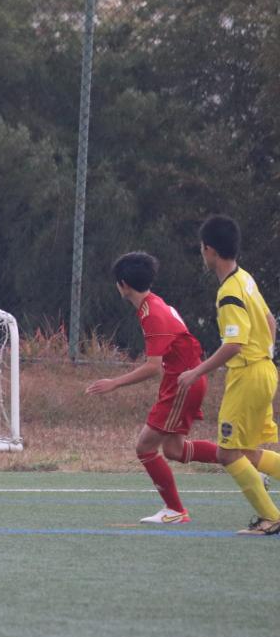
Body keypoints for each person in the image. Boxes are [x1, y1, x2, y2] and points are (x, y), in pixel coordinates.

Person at [84, 251, 220, 523]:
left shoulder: (152, 313)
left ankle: (176, 510)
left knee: (145, 447)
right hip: (184, 380)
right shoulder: (153, 304)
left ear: (123, 284)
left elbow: (152, 367)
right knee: (174, 451)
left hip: (183, 382)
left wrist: (114, 383)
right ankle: (243, 460)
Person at [177, 215, 280, 535]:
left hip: (248, 375)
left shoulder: (229, 292)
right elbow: (270, 322)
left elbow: (234, 344)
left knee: (227, 453)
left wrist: (196, 372)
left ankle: (271, 518)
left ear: (209, 250)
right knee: (246, 451)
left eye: (201, 248)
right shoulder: (245, 279)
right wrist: (265, 355)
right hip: (264, 370)